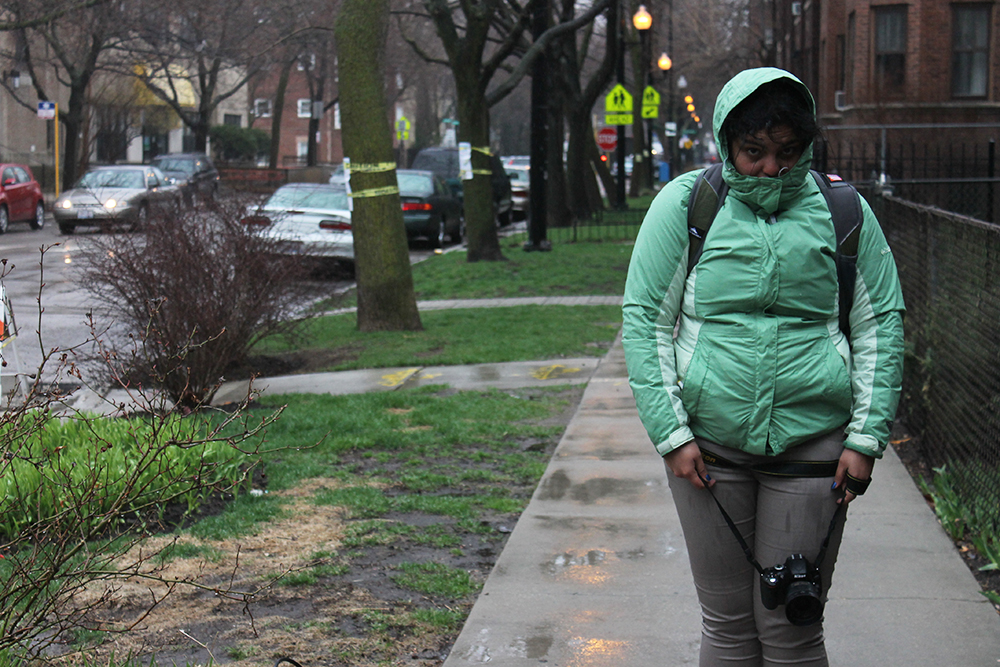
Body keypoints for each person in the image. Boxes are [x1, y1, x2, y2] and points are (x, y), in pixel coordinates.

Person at [622, 68, 905, 666]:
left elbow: (880, 324)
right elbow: (645, 322)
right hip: (709, 450)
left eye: (787, 152)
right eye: (754, 152)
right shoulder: (687, 206)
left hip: (814, 448)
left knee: (792, 631)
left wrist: (866, 438)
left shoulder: (844, 211)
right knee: (727, 628)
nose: (771, 168)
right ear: (727, 143)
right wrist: (672, 435)